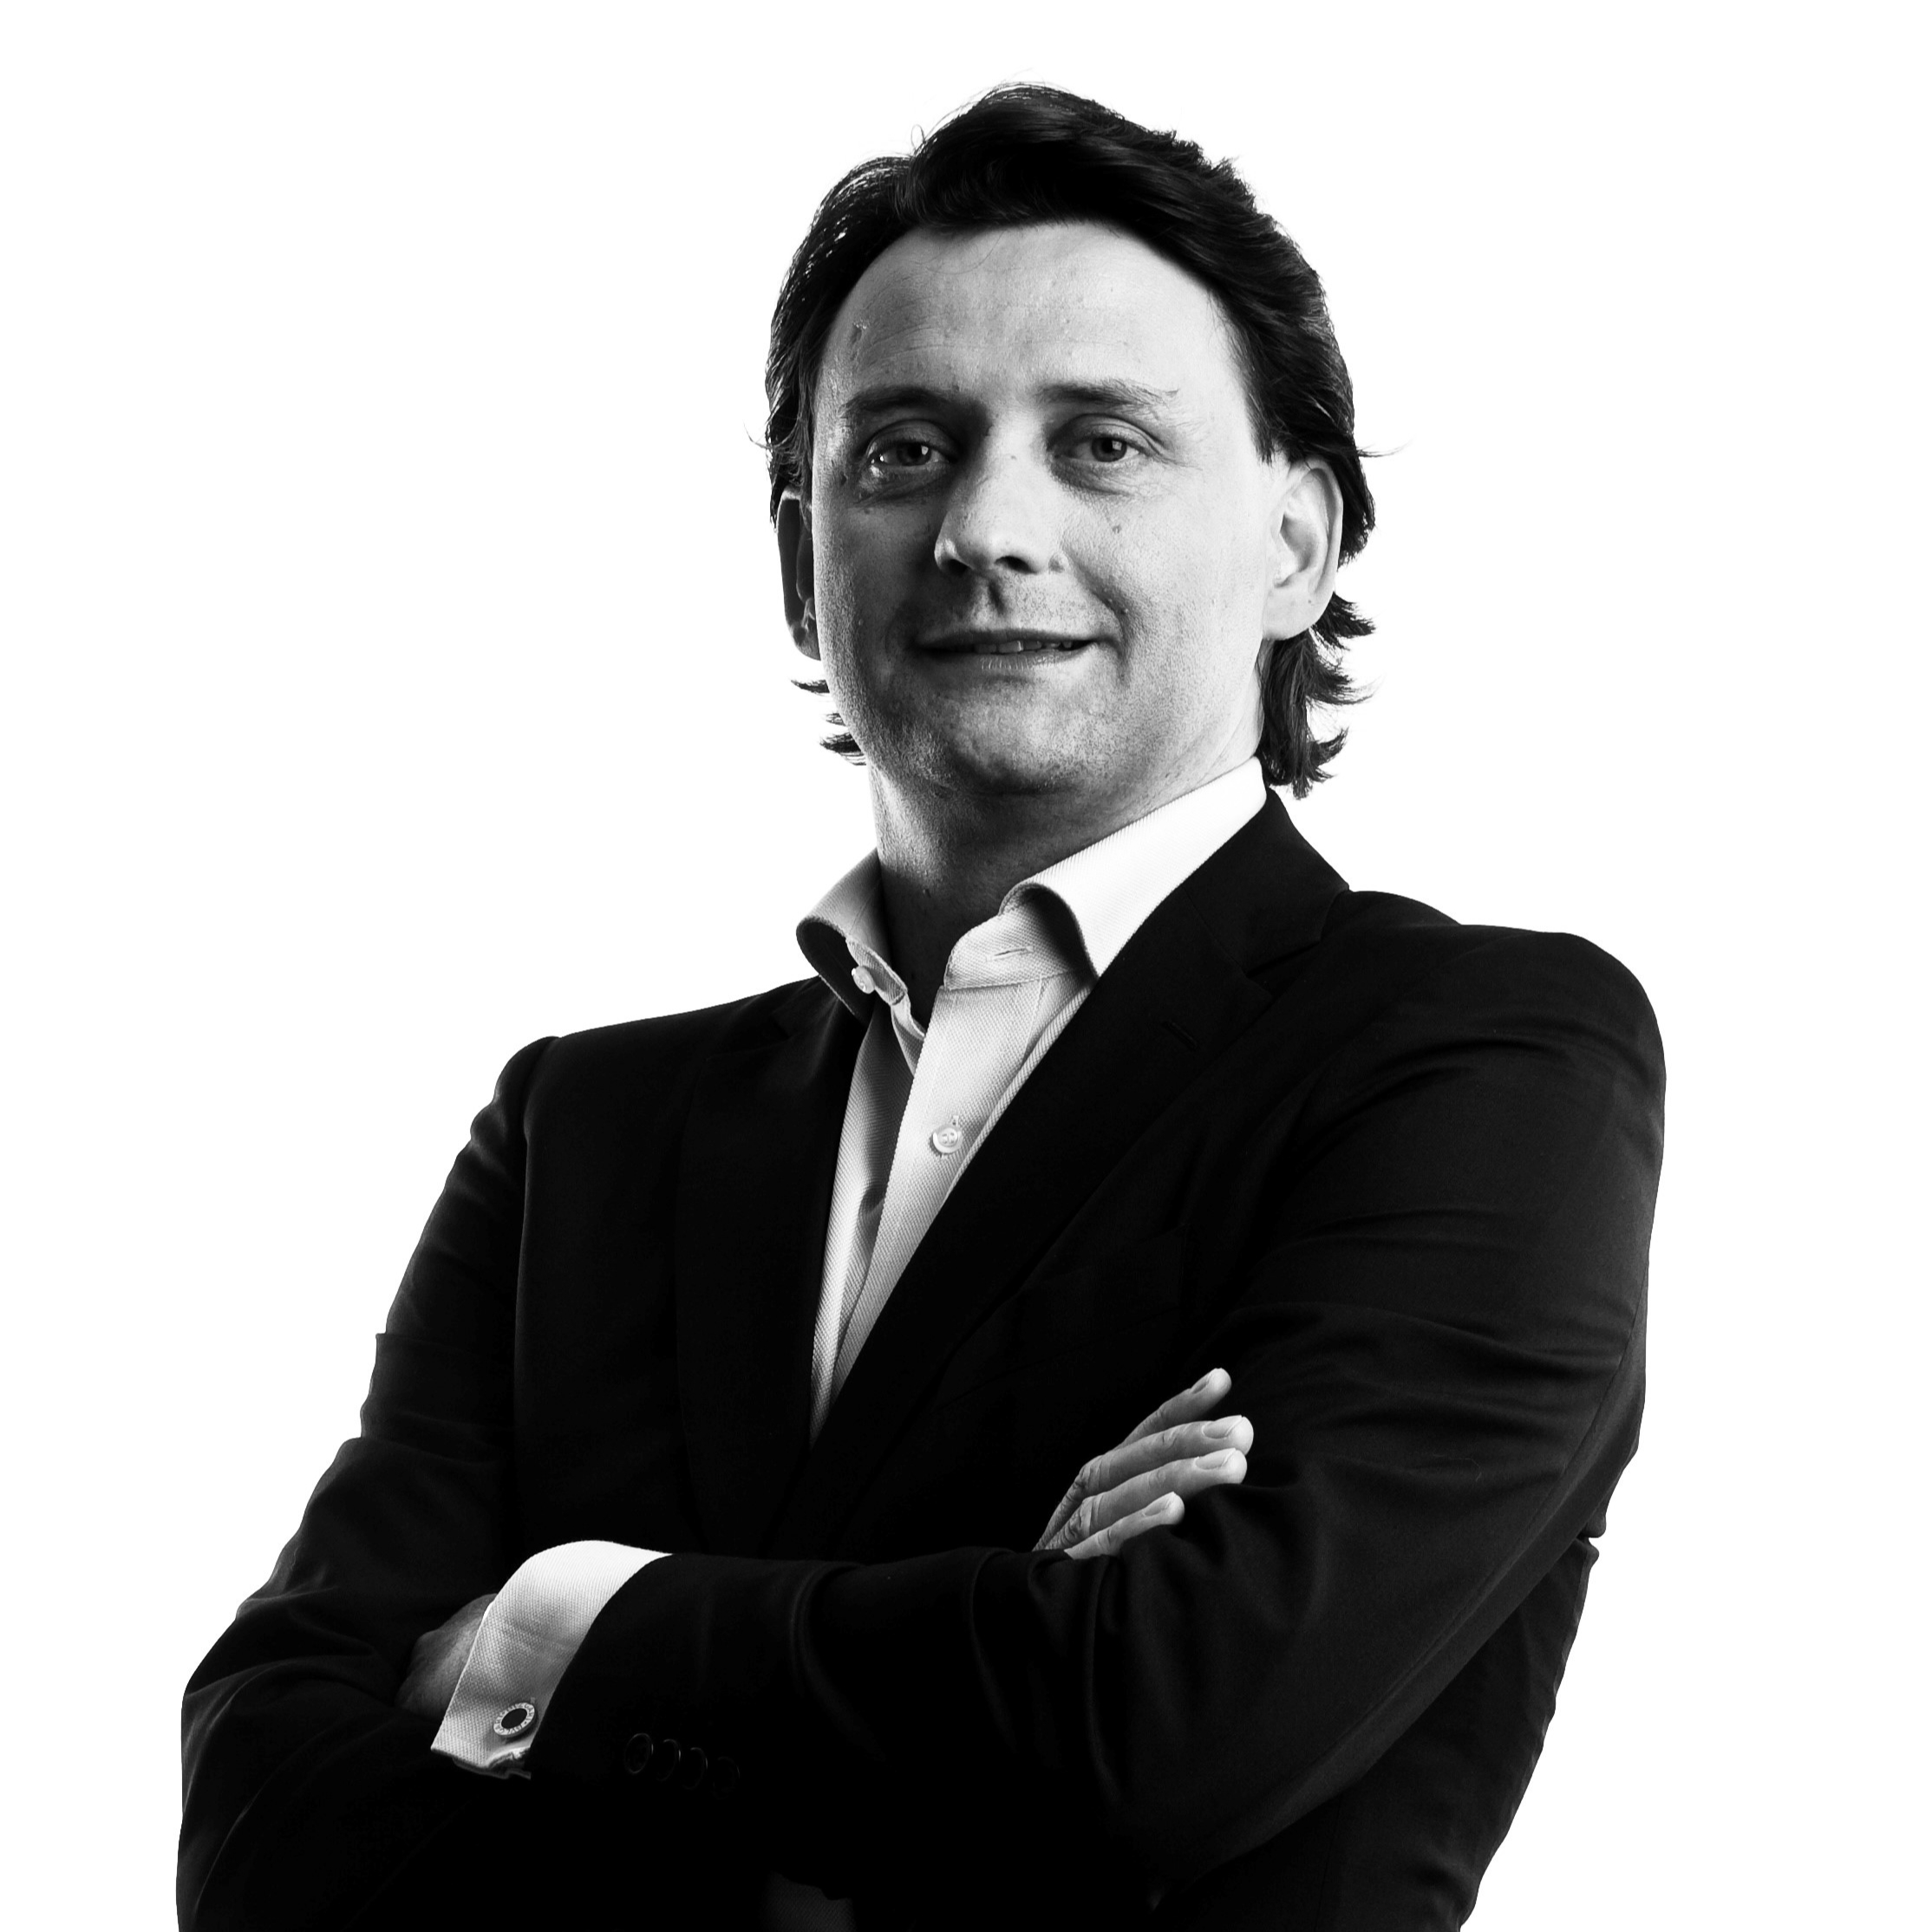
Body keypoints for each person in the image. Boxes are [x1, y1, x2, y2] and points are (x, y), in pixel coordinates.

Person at [180, 84, 1664, 1931]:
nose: (983, 526)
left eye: (1103, 443)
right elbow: (262, 1827)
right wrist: (994, 1634)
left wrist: (546, 1628)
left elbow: (1156, 1730)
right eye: (901, 449)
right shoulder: (585, 1129)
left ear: (1295, 543)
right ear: (798, 557)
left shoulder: (1477, 1057)